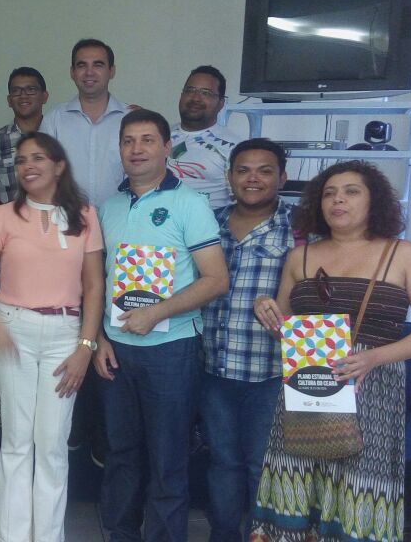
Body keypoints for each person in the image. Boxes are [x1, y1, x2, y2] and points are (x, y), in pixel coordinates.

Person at [250, 160, 411, 542]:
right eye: (329, 193)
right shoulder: (300, 257)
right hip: (307, 389)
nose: (338, 200)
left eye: (351, 191)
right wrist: (267, 313)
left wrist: (375, 357)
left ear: (374, 201)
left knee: (357, 489)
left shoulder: (402, 254)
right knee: (297, 478)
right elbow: (284, 332)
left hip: (371, 389)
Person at [95, 109, 229, 542]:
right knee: (121, 453)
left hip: (171, 350)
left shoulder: (190, 203)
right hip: (116, 350)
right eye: (128, 141)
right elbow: (97, 281)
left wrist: (156, 313)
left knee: (167, 459)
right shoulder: (109, 207)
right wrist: (98, 338)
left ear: (167, 147)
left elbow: (216, 280)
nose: (137, 149)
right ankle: (120, 535)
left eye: (147, 140)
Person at [0, 132, 105, 542]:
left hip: (66, 334)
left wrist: (86, 346)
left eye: (38, 158)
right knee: (17, 441)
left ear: (59, 166)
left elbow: (94, 285)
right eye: (22, 159)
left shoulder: (85, 215)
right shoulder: (3, 215)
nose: (27, 166)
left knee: (52, 444)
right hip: (14, 330)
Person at [199, 139, 294, 542]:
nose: (252, 179)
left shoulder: (300, 229)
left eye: (264, 170)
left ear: (282, 178)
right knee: (222, 463)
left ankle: (261, 536)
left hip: (269, 372)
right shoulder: (208, 222)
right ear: (229, 177)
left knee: (261, 466)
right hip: (212, 367)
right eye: (243, 170)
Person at [40, 38, 129, 208]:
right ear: (72, 72)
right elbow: (43, 173)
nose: (89, 72)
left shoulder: (130, 119)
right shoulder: (54, 120)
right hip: (66, 218)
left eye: (98, 65)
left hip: (121, 218)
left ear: (111, 71)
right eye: (82, 65)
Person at [169, 65, 244, 210]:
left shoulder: (235, 147)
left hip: (210, 222)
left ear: (221, 103)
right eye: (190, 90)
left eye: (206, 93)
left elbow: (242, 203)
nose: (195, 98)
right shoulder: (158, 137)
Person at [0, 67, 50, 203]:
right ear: (9, 100)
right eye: (16, 91)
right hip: (10, 216)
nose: (23, 95)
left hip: (54, 215)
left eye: (31, 89)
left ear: (44, 96)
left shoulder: (57, 134)